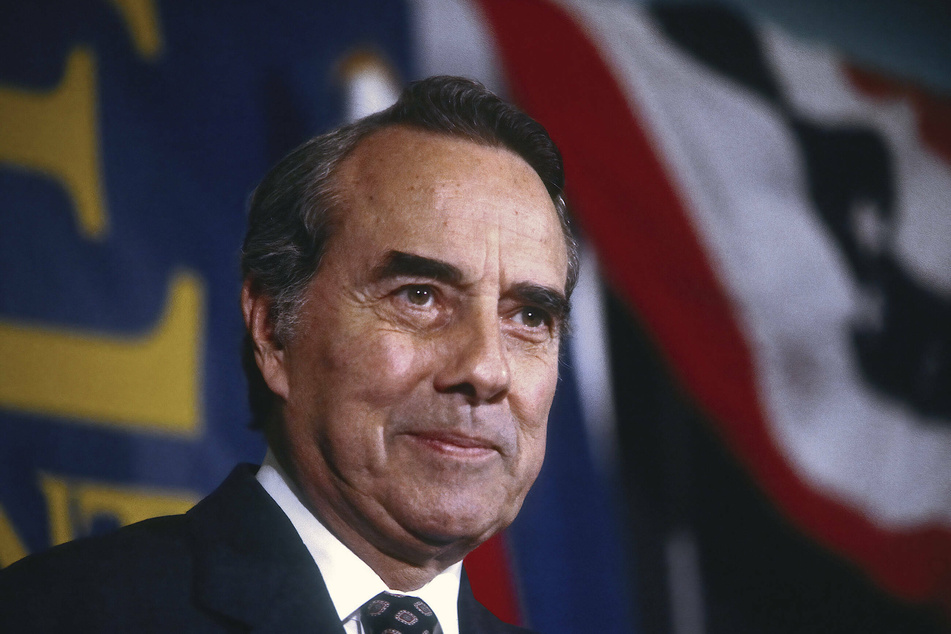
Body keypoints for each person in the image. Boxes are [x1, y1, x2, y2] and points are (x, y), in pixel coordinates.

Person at [0, 75, 579, 633]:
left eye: (529, 317)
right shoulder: (61, 615)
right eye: (420, 296)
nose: (484, 369)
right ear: (274, 329)